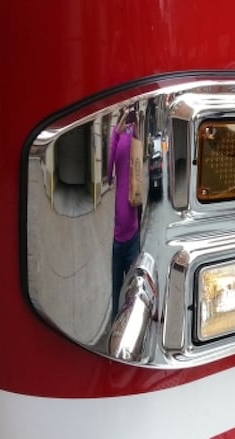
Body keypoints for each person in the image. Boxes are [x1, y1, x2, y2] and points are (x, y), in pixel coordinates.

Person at [107, 107, 140, 317]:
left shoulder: (135, 135)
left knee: (133, 290)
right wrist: (115, 134)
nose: (126, 119)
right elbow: (108, 173)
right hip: (118, 236)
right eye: (123, 114)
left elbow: (141, 161)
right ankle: (114, 327)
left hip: (134, 231)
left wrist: (136, 130)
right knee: (116, 289)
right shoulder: (117, 138)